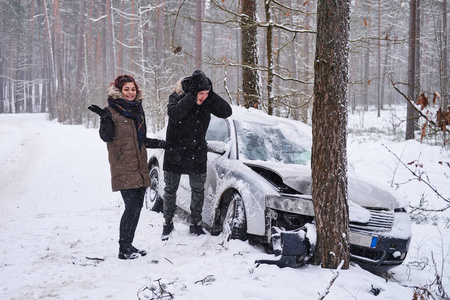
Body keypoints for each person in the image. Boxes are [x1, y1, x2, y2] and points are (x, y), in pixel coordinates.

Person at [88, 75, 165, 259]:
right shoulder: (111, 111)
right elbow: (106, 137)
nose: (130, 93)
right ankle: (123, 248)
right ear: (119, 91)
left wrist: (163, 144)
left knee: (137, 207)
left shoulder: (138, 111)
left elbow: (141, 140)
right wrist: (105, 120)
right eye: (126, 89)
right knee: (131, 207)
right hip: (123, 166)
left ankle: (129, 245)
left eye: (133, 89)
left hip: (139, 166)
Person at [161, 70, 232, 241]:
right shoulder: (176, 97)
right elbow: (175, 113)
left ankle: (195, 224)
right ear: (193, 92)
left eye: (206, 94)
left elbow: (226, 112)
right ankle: (167, 223)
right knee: (170, 189)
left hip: (197, 151)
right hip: (175, 150)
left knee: (198, 190)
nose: (203, 97)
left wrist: (210, 93)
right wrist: (192, 97)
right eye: (201, 94)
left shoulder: (207, 100)